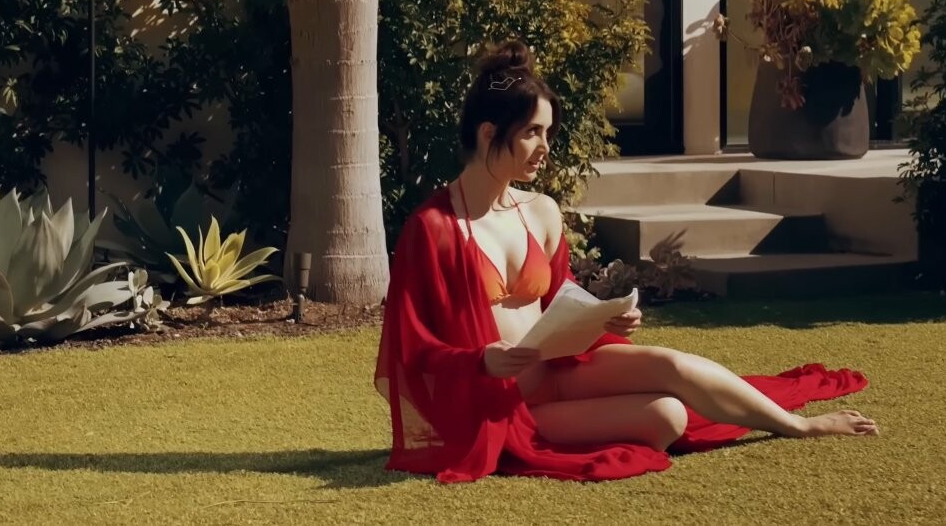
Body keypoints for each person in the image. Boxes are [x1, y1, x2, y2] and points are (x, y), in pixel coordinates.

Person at [374, 41, 879, 484]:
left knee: (672, 365)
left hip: (561, 370)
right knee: (667, 417)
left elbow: (560, 296)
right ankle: (583, 424)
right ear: (489, 133)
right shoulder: (434, 228)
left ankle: (798, 426)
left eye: (548, 133)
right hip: (507, 407)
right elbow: (412, 349)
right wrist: (481, 361)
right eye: (532, 133)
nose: (545, 148)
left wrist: (602, 316)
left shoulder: (540, 212)